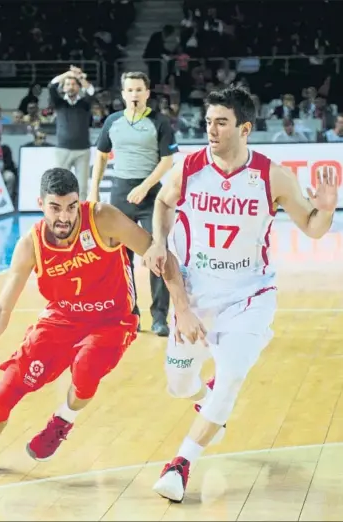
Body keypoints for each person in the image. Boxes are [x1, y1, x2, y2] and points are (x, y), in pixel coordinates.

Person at [143, 86, 338, 502]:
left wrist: (326, 206)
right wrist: (159, 242)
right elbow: (162, 202)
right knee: (180, 386)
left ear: (245, 128)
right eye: (208, 121)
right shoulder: (190, 166)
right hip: (195, 294)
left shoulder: (272, 174)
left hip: (250, 294)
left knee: (231, 376)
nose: (210, 129)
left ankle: (180, 463)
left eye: (221, 122)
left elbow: (315, 228)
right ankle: (209, 400)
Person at [0, 168, 193, 478]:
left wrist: (182, 308)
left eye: (71, 206)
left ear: (79, 202)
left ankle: (63, 419)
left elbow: (162, 257)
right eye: (55, 207)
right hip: (62, 318)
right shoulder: (30, 245)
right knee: (7, 390)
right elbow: (0, 309)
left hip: (112, 320)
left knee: (86, 366)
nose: (65, 216)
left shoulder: (103, 219)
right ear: (40, 204)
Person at [90, 71, 178, 336]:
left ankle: (160, 316)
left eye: (139, 90)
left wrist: (145, 187)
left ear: (147, 93)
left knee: (158, 252)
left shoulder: (160, 122)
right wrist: (93, 192)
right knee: (120, 259)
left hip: (152, 195)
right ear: (123, 94)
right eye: (130, 90)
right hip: (120, 193)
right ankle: (130, 313)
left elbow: (167, 161)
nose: (134, 95)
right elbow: (102, 156)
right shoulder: (112, 122)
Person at [49, 65, 95, 200]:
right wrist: (68, 73)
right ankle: (61, 216)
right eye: (68, 84)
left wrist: (80, 77)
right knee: (60, 186)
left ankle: (81, 216)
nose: (70, 86)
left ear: (79, 87)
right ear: (63, 88)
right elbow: (51, 86)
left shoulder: (84, 104)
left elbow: (91, 91)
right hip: (63, 149)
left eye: (74, 84)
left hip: (83, 151)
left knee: (82, 187)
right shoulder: (59, 103)